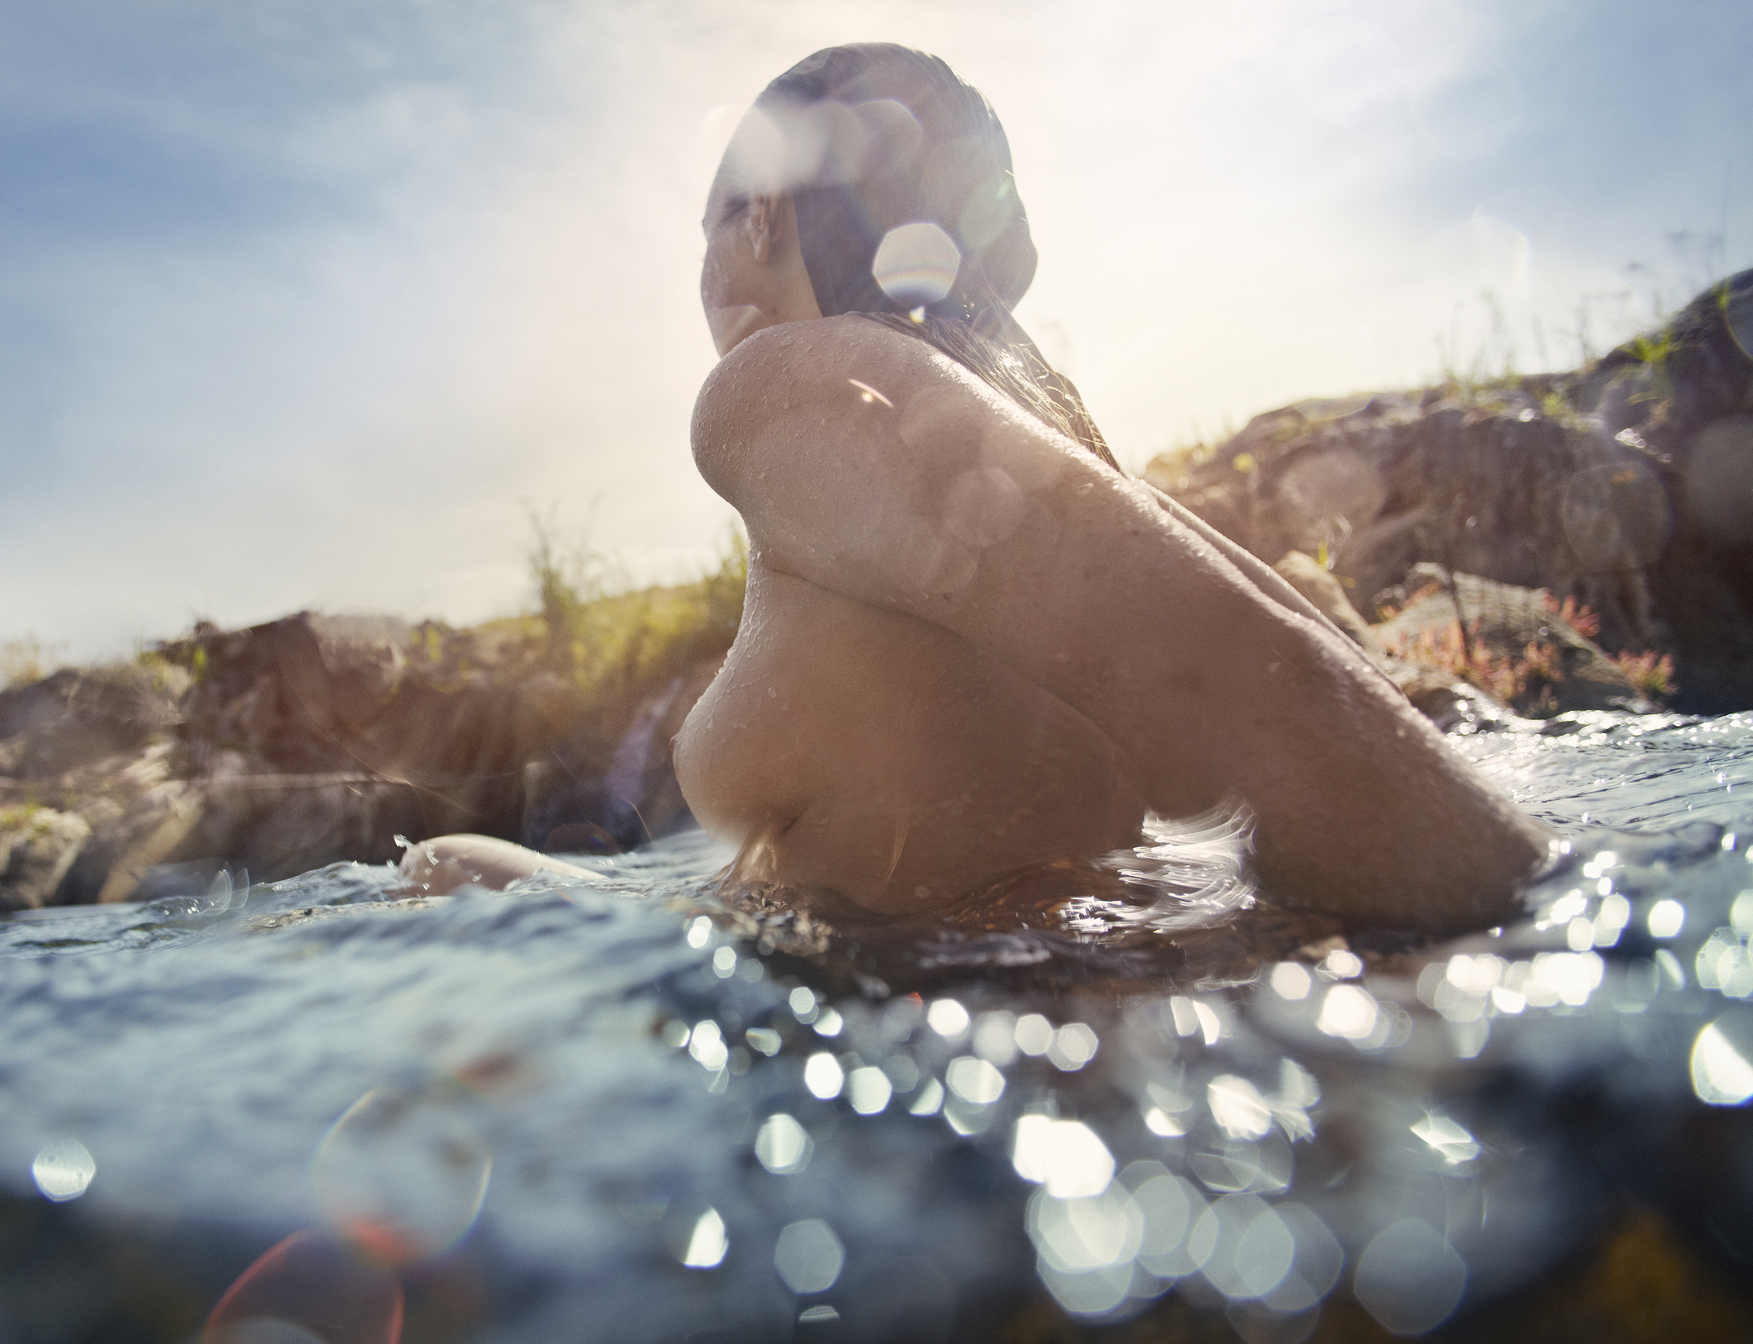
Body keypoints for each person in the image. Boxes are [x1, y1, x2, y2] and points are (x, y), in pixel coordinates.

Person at [401, 43, 1549, 934]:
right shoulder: (1045, 433)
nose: (708, 271)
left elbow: (1272, 691)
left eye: (714, 226)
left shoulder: (784, 393)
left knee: (431, 875)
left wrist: (1526, 926)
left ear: (761, 212)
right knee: (457, 868)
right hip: (1018, 974)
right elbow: (1305, 668)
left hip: (902, 1045)